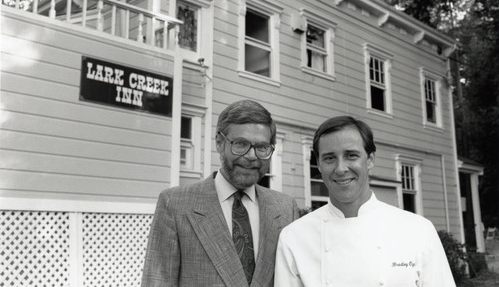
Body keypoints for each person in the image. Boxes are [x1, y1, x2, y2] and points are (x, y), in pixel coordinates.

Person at [275, 116, 455, 287]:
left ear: (370, 160)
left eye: (351, 155)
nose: (340, 169)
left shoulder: (418, 230)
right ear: (319, 164)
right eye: (329, 158)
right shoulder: (294, 237)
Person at [141, 99, 299, 287]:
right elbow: (158, 282)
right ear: (219, 143)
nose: (251, 156)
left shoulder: (285, 208)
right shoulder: (175, 204)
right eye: (240, 144)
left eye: (262, 147)